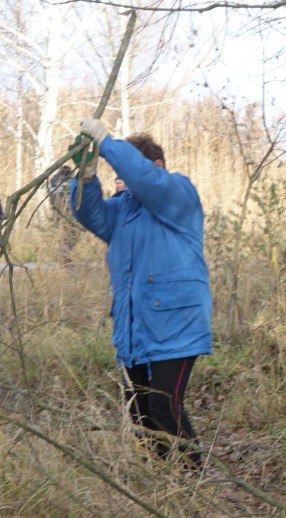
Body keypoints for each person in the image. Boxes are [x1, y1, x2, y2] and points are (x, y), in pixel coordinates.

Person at [68, 119, 211, 465]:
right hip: (134, 329)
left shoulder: (179, 194)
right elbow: (88, 214)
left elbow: (148, 181)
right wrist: (86, 177)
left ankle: (191, 487)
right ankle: (162, 489)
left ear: (156, 166)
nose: (122, 179)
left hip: (175, 325)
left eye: (125, 170)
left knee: (165, 408)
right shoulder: (122, 211)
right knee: (141, 416)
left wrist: (109, 145)